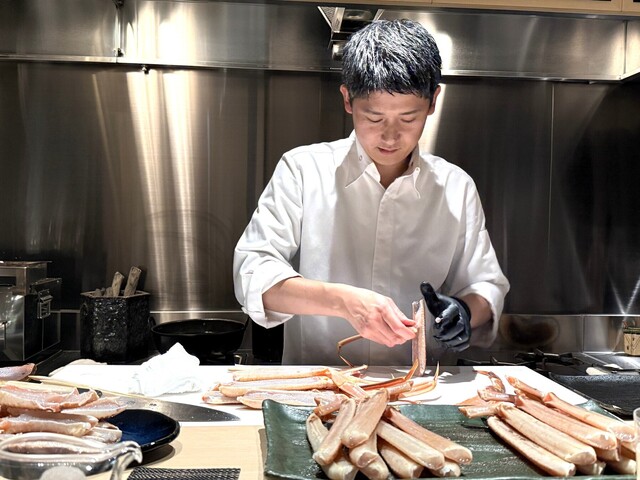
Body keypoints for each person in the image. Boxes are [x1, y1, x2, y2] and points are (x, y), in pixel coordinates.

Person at [233, 18, 509, 366]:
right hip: (323, 382)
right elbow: (253, 273)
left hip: (422, 386)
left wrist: (465, 312)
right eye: (374, 118)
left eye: (408, 118)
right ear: (348, 99)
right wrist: (343, 302)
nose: (390, 136)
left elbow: (485, 284)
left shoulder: (456, 187)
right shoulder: (303, 170)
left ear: (433, 101)